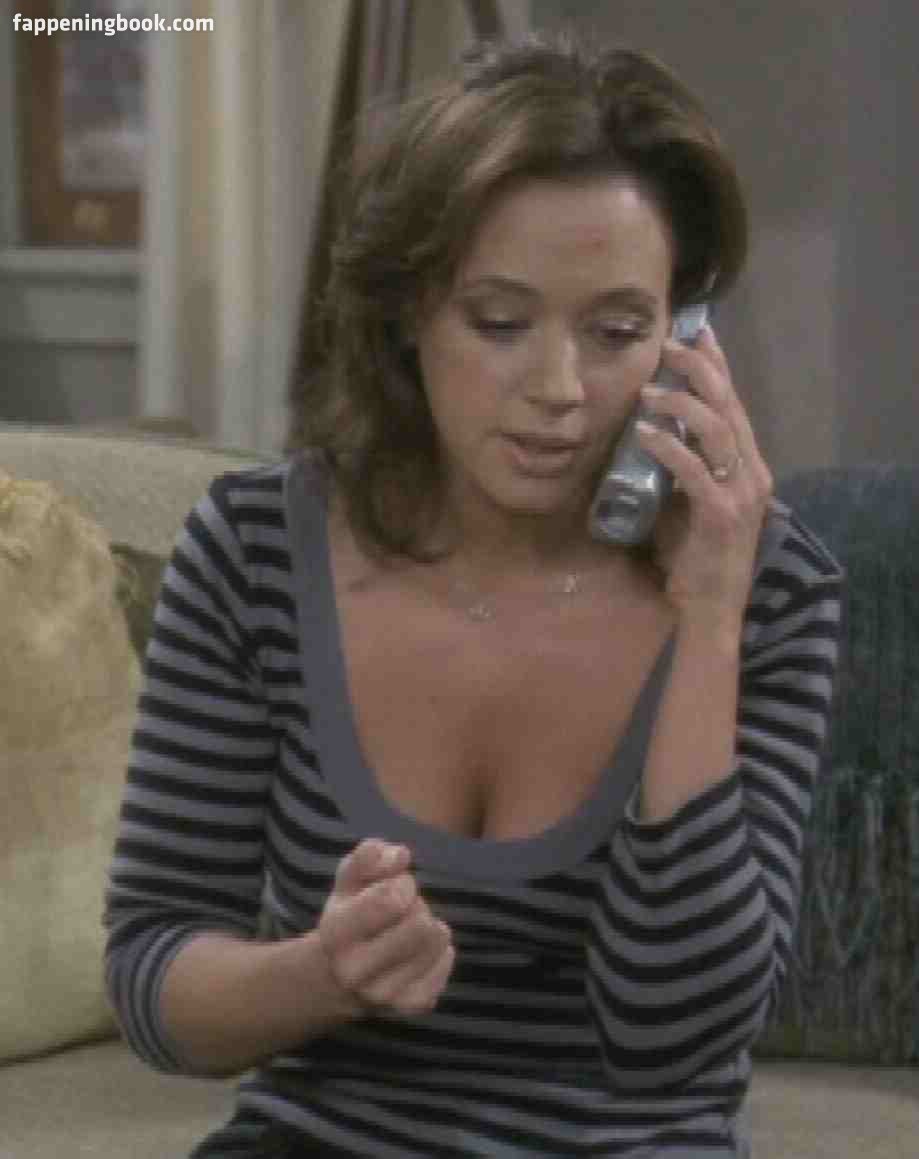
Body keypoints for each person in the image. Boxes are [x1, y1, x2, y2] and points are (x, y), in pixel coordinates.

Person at [104, 36, 843, 1158]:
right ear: (409, 311)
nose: (559, 389)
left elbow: (674, 1037)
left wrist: (706, 618)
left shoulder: (767, 590)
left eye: (616, 332)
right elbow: (153, 971)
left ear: (684, 338)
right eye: (499, 323)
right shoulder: (254, 554)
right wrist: (320, 973)